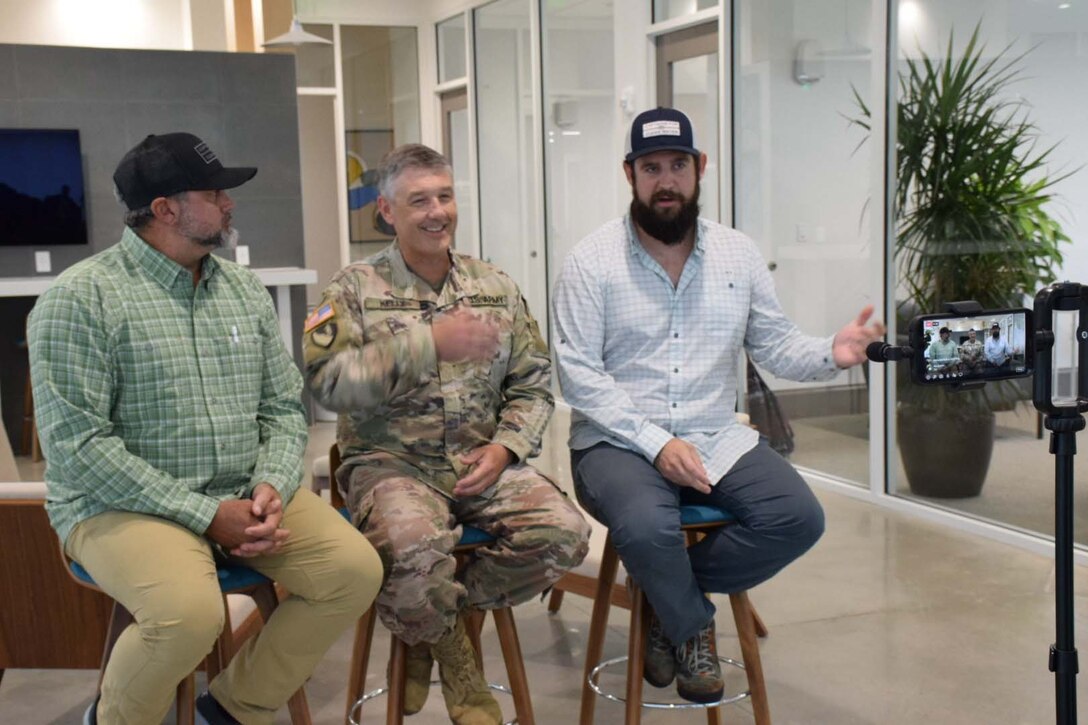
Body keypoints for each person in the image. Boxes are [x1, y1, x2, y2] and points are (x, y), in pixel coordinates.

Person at [27, 133, 383, 725]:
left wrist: (269, 485)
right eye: (215, 193)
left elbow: (280, 407)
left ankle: (231, 708)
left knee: (354, 571)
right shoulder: (80, 299)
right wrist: (206, 515)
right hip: (119, 504)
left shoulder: (243, 290)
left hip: (241, 488)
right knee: (189, 614)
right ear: (165, 209)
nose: (230, 203)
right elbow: (78, 448)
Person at [552, 107, 885, 704]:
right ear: (629, 174)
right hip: (615, 441)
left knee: (798, 518)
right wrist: (657, 443)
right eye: (651, 167)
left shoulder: (738, 255)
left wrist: (831, 353)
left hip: (714, 435)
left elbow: (776, 345)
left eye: (678, 165)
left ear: (700, 168)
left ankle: (664, 604)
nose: (666, 181)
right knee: (648, 526)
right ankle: (692, 625)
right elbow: (579, 377)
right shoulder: (590, 262)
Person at [304, 143, 589, 725]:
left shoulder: (495, 286)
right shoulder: (353, 289)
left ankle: (428, 627)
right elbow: (327, 384)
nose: (437, 211)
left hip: (479, 462)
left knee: (563, 534)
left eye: (445, 196)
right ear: (387, 211)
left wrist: (506, 445)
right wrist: (425, 344)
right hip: (390, 465)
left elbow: (533, 385)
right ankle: (458, 663)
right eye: (419, 201)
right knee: (410, 550)